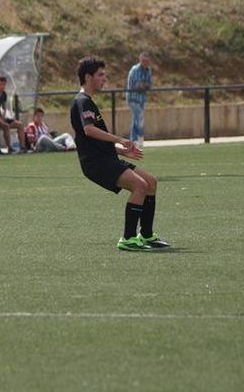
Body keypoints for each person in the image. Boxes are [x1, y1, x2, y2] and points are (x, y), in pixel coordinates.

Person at [70, 57, 169, 251]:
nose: (104, 79)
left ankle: (147, 235)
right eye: (100, 75)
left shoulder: (87, 102)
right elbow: (89, 131)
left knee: (150, 182)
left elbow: (91, 141)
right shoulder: (82, 101)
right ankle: (128, 238)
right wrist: (119, 139)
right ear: (88, 77)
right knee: (140, 186)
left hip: (105, 157)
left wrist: (121, 150)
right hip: (96, 163)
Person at [125, 52, 153, 147]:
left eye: (147, 61)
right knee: (138, 117)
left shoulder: (148, 70)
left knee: (136, 118)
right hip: (133, 98)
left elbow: (149, 84)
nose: (146, 63)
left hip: (142, 98)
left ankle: (133, 139)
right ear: (140, 60)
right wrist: (144, 85)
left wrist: (145, 85)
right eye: (144, 61)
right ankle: (139, 137)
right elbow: (138, 85)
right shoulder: (135, 69)